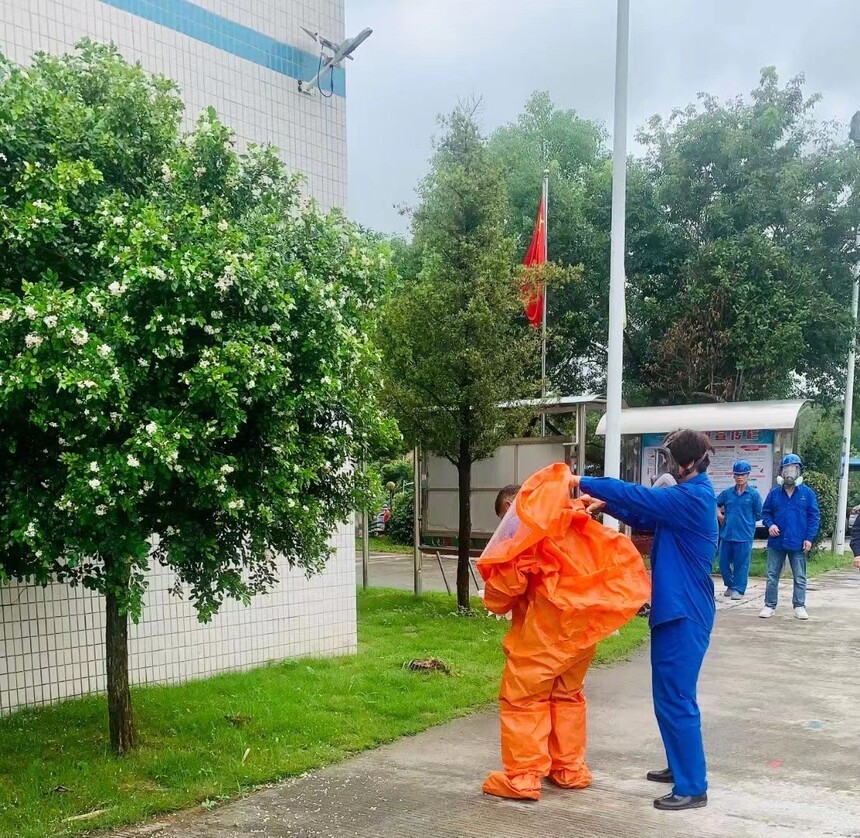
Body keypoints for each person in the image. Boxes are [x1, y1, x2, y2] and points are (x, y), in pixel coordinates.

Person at [478, 465, 650, 802]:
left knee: (524, 699)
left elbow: (500, 596)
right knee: (567, 696)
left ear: (514, 508)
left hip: (544, 634)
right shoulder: (576, 522)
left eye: (505, 518)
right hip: (581, 632)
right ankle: (568, 768)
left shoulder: (527, 538)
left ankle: (523, 777)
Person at [569, 429, 717, 812]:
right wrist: (605, 504)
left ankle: (692, 786)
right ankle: (679, 765)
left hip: (685, 613)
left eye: (670, 460)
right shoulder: (687, 496)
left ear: (687, 463)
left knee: (677, 698)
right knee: (668, 696)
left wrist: (580, 480)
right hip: (676, 610)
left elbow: (638, 496)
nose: (666, 467)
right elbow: (643, 513)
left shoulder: (693, 497)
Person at [759, 454, 820, 621]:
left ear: (799, 471)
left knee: (799, 577)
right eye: (787, 468)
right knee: (772, 576)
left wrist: (809, 538)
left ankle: (799, 606)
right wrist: (770, 525)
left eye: (794, 468)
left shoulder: (807, 494)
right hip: (776, 542)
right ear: (781, 471)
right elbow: (766, 513)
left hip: (798, 542)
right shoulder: (774, 494)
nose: (790, 472)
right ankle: (769, 605)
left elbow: (814, 517)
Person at [716, 460, 762, 600]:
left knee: (741, 564)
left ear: (748, 475)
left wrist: (747, 522)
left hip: (744, 535)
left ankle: (738, 589)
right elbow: (715, 504)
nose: (740, 477)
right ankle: (730, 585)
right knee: (723, 563)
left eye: (743, 474)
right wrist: (719, 515)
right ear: (734, 476)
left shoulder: (753, 495)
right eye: (737, 474)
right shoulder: (727, 493)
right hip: (727, 533)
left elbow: (759, 513)